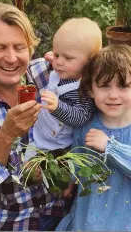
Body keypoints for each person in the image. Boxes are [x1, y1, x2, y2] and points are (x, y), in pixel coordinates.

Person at [0, 3, 65, 231]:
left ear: (31, 49)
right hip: (14, 220)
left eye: (19, 47)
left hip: (65, 210)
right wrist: (6, 135)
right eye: (0, 47)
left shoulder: (49, 74)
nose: (11, 58)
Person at [56, 45, 131, 231]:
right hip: (89, 218)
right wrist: (69, 181)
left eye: (123, 86)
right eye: (104, 85)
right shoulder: (86, 124)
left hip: (130, 221)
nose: (113, 95)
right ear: (91, 89)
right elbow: (76, 157)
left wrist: (110, 147)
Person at [25, 18, 101, 161]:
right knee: (25, 165)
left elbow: (82, 117)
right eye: (57, 55)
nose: (59, 62)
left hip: (60, 147)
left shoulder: (84, 88)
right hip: (39, 135)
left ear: (90, 61)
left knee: (52, 174)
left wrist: (58, 107)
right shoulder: (56, 74)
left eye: (68, 58)